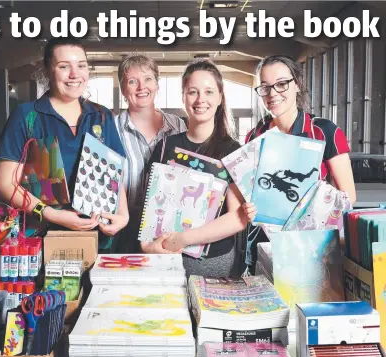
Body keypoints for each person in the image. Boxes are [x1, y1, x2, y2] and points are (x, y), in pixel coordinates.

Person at [0, 37, 129, 251]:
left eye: (81, 66)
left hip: (100, 238)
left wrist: (123, 214)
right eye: (64, 66)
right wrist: (53, 214)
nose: (75, 75)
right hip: (43, 239)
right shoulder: (28, 116)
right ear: (48, 70)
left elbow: (115, 174)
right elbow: (5, 184)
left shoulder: (101, 116)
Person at [242, 54, 356, 275]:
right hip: (263, 245)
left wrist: (312, 201)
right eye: (265, 87)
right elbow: (248, 191)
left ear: (297, 84)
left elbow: (349, 196)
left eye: (282, 84)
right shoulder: (254, 136)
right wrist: (247, 207)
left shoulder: (325, 131)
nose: (273, 93)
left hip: (312, 248)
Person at [140, 59, 248, 277]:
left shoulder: (233, 151)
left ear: (220, 97)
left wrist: (185, 238)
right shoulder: (165, 146)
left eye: (209, 92)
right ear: (183, 97)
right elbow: (149, 207)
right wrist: (147, 248)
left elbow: (238, 218)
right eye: (193, 92)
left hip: (212, 263)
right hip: (165, 258)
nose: (200, 100)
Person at [113, 53, 187, 253]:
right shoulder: (112, 129)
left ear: (157, 85)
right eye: (132, 81)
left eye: (148, 79)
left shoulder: (178, 126)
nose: (141, 87)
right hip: (124, 232)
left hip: (168, 230)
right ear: (122, 89)